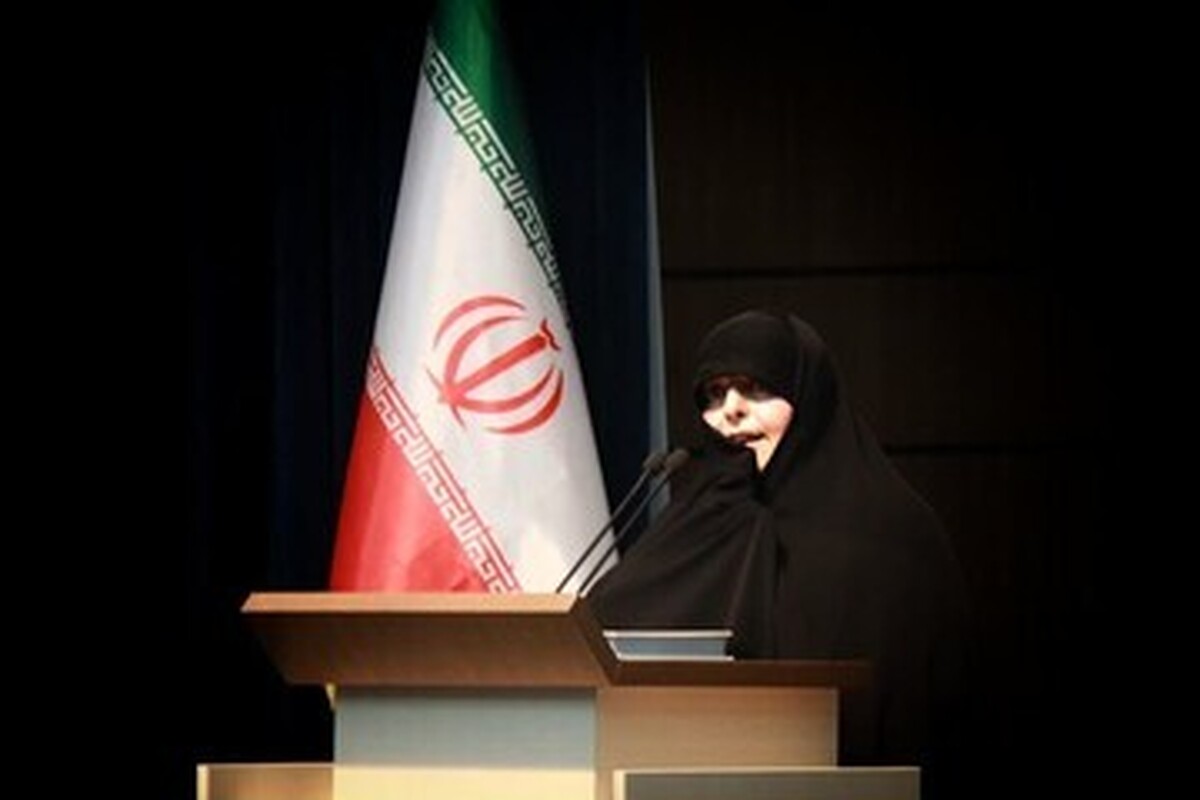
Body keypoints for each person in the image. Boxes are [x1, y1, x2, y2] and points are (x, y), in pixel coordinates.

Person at [587, 309, 970, 795]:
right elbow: (600, 636)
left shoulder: (890, 534)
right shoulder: (699, 523)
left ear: (808, 398)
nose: (731, 410)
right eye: (714, 394)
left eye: (755, 389)